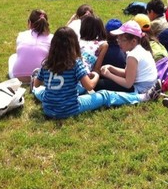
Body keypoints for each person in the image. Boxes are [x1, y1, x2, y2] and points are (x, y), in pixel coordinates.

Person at [32, 26, 160, 119]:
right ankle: (143, 97)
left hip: (48, 109)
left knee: (43, 91)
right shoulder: (75, 63)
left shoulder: (46, 63)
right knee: (104, 95)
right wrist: (97, 75)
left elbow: (38, 84)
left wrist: (36, 82)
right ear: (73, 45)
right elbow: (90, 86)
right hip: (70, 108)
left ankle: (33, 89)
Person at [98, 21, 159, 94]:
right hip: (147, 85)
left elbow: (128, 84)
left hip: (140, 89)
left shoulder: (133, 56)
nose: (119, 42)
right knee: (102, 83)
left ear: (133, 41)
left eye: (123, 40)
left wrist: (109, 75)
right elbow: (127, 73)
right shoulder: (138, 50)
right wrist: (111, 68)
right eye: (118, 39)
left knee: (100, 84)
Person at [8, 9, 52, 82]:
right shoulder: (51, 38)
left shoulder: (21, 35)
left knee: (13, 56)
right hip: (41, 78)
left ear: (29, 23)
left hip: (18, 77)